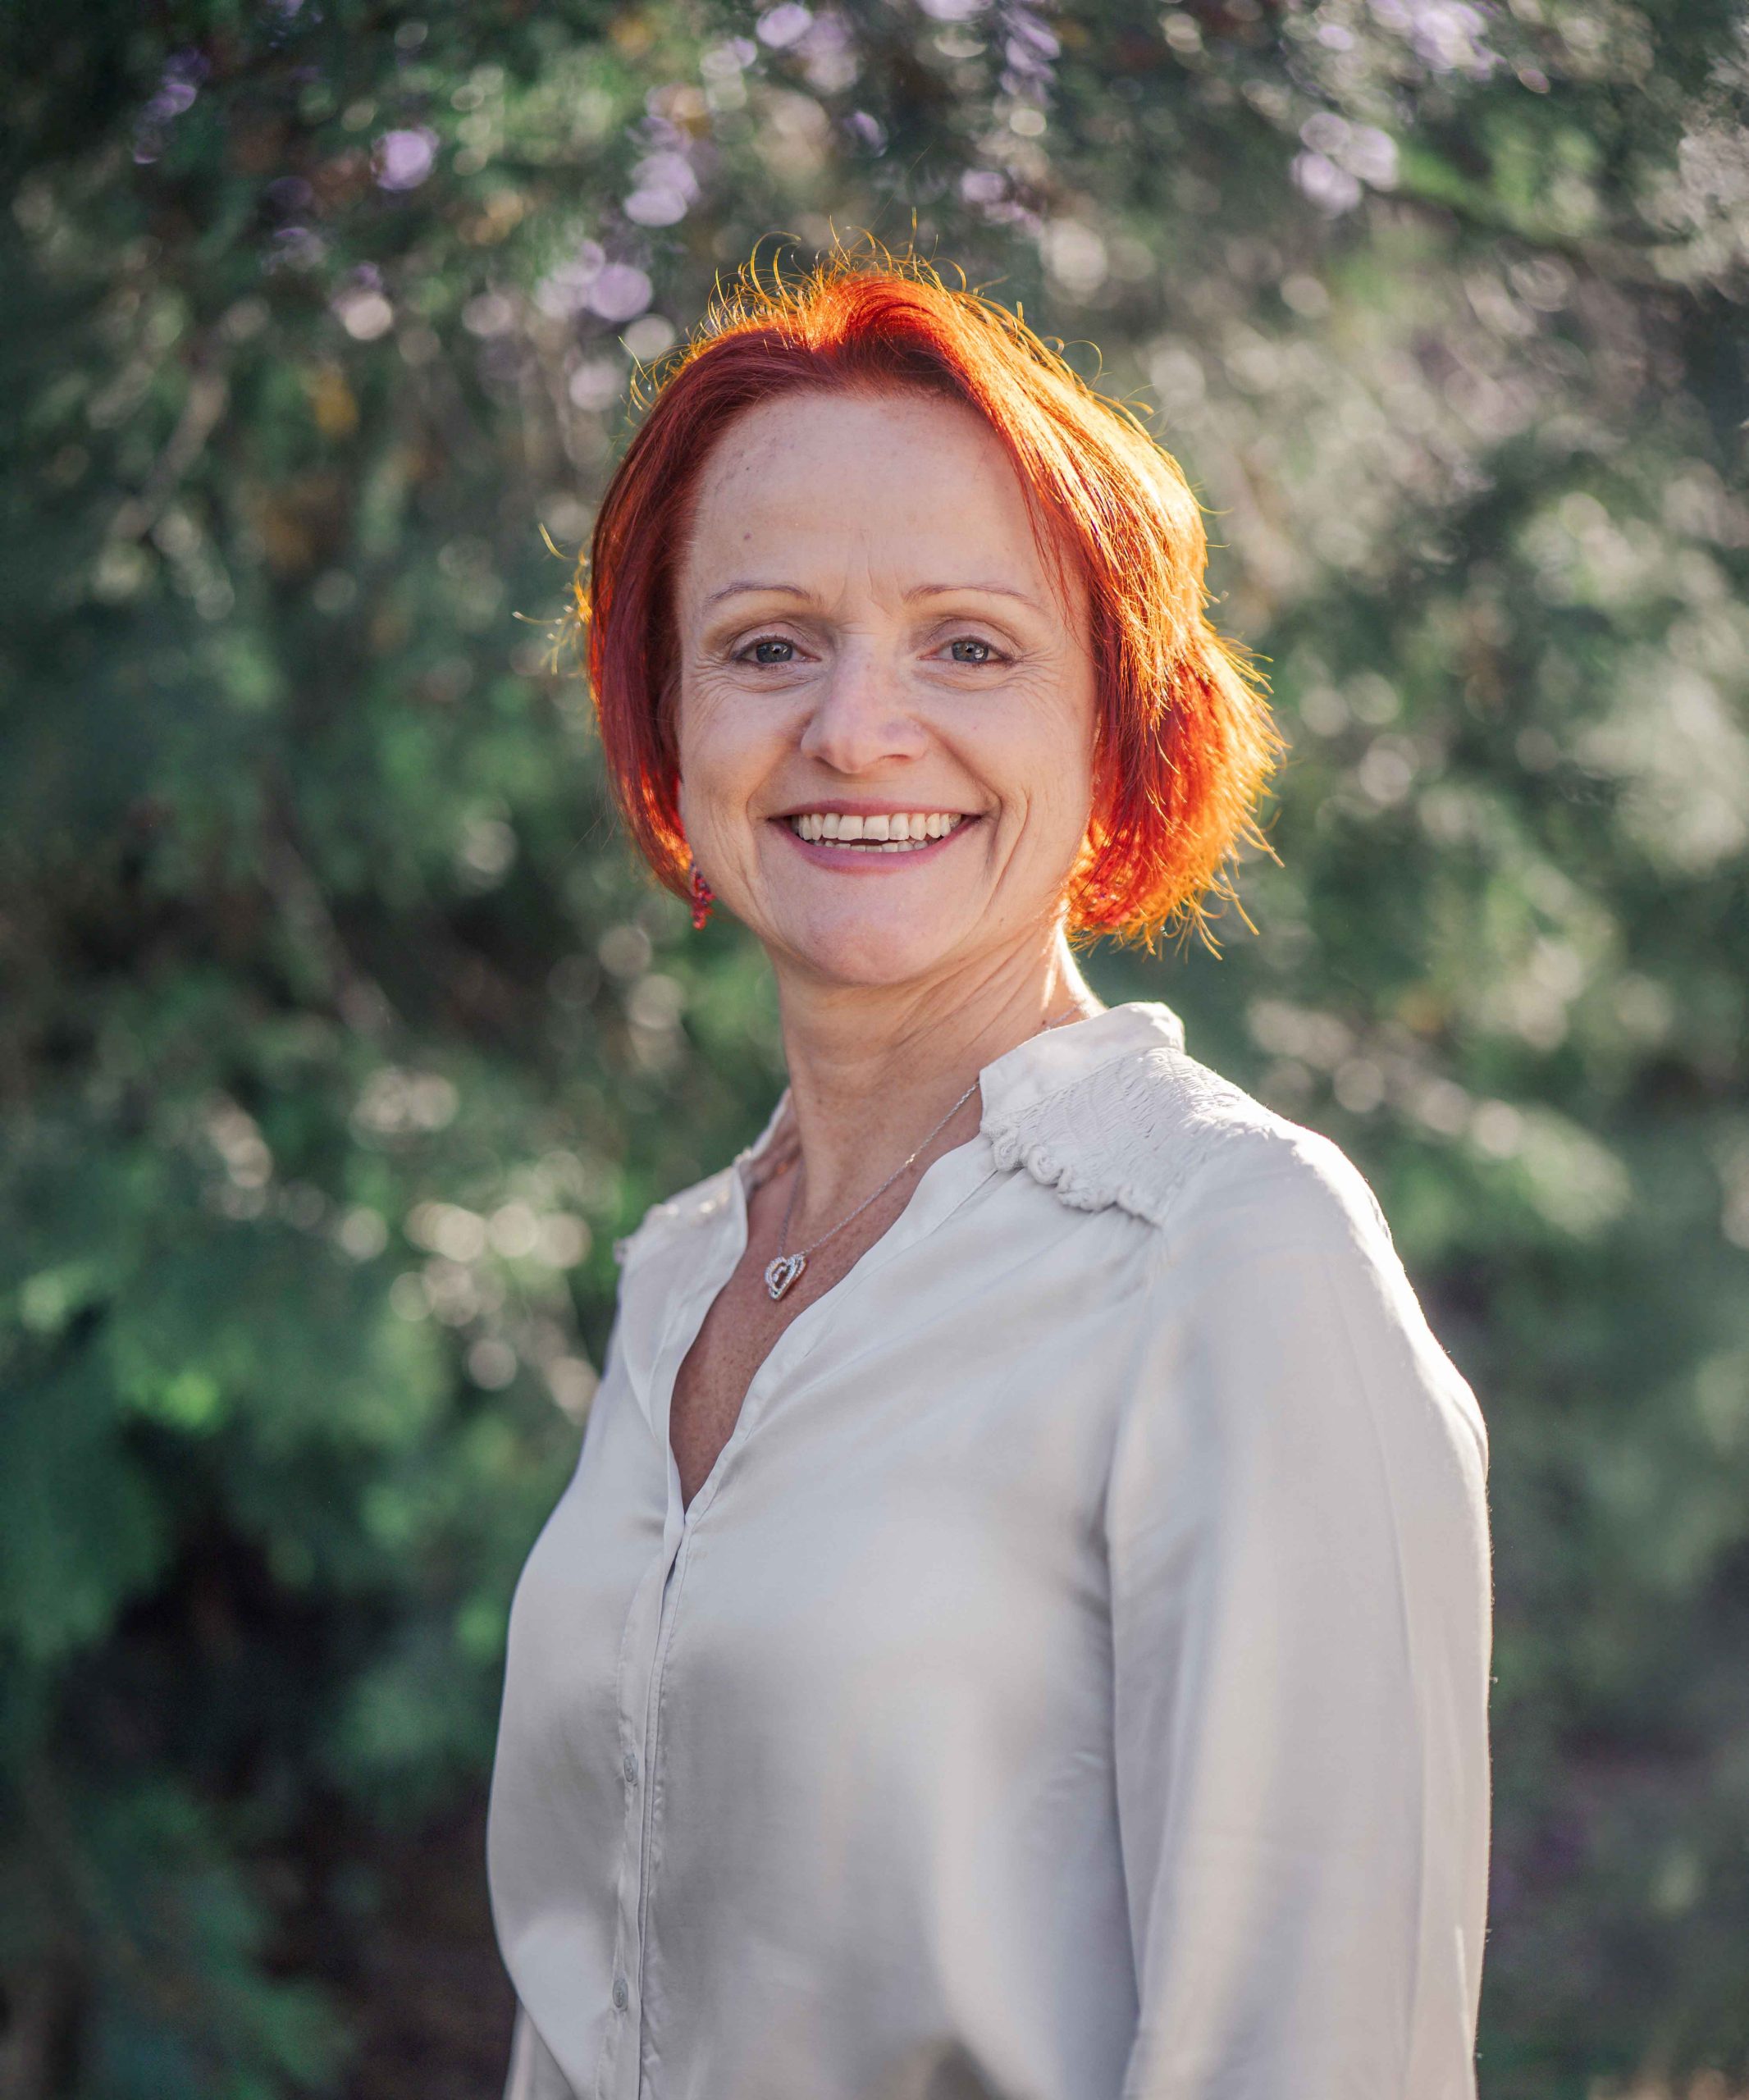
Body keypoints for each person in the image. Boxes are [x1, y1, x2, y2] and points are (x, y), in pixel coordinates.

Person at [486, 253, 1491, 2100]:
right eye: (769, 642)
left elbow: (1322, 2050)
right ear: (670, 728)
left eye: (969, 643)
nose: (858, 729)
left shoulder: (1229, 1256)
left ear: (1112, 736)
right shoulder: (677, 1274)